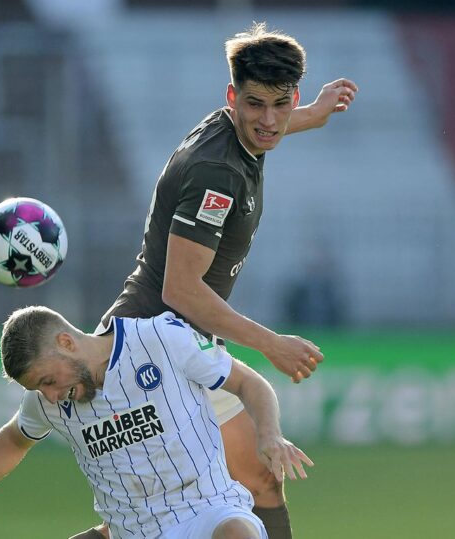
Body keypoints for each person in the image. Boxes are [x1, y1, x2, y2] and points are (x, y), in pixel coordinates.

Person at [73, 21, 358, 539]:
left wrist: (313, 115)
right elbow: (179, 290)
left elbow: (268, 125)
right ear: (233, 97)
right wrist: (271, 343)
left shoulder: (233, 130)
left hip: (177, 341)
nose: (268, 120)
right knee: (165, 515)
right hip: (151, 349)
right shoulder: (218, 175)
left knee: (243, 487)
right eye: (255, 104)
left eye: (281, 103)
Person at [0, 306, 313, 539]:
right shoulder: (48, 400)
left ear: (67, 342)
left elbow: (248, 382)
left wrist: (269, 433)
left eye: (48, 380)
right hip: (130, 533)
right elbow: (13, 439)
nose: (48, 395)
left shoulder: (160, 340)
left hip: (207, 511)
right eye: (37, 389)